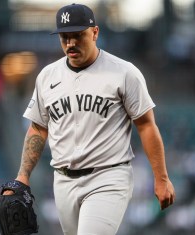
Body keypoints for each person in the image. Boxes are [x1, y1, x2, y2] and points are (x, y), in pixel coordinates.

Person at [10, 3, 175, 235]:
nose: (71, 44)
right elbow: (38, 128)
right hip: (63, 180)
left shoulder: (124, 72)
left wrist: (162, 178)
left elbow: (146, 126)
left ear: (95, 32)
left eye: (78, 36)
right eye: (64, 37)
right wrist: (23, 176)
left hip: (108, 177)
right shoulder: (47, 76)